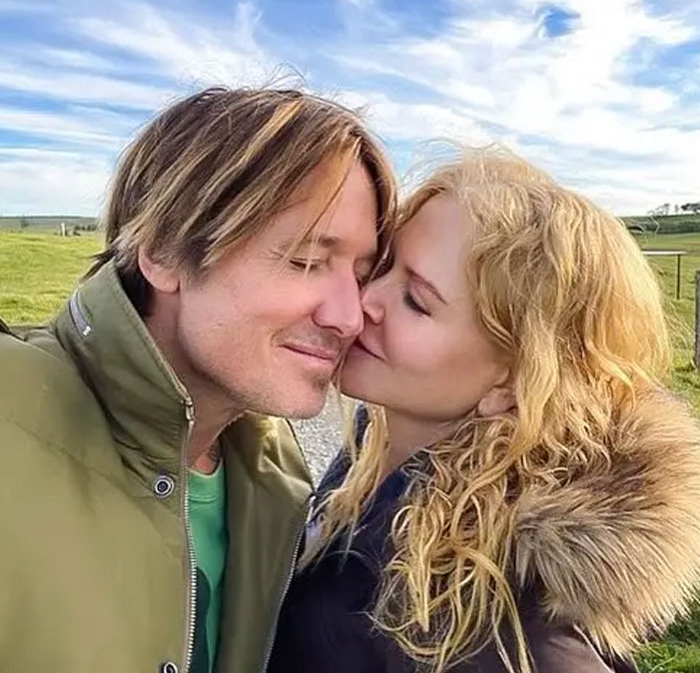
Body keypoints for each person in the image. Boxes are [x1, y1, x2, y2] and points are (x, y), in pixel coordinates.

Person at [0, 86, 397, 673]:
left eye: (362, 275)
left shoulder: (275, 478)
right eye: (306, 261)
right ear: (163, 250)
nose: (348, 315)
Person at [270, 147, 700, 673]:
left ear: (515, 382)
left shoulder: (491, 621)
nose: (366, 301)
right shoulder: (373, 459)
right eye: (383, 268)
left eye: (417, 301)